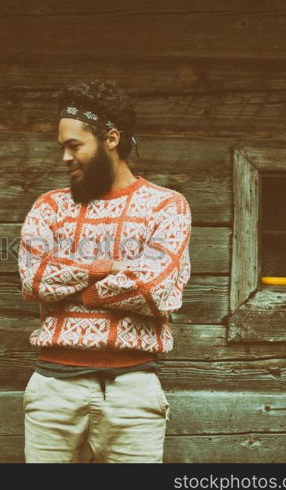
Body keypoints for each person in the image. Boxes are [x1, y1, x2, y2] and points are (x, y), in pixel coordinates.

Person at [17, 79, 192, 463]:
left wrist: (77, 292)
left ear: (110, 138)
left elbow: (157, 292)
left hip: (133, 392)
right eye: (62, 147)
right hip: (53, 391)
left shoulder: (166, 207)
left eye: (74, 145)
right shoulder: (51, 207)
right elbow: (34, 279)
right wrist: (109, 267)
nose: (65, 157)